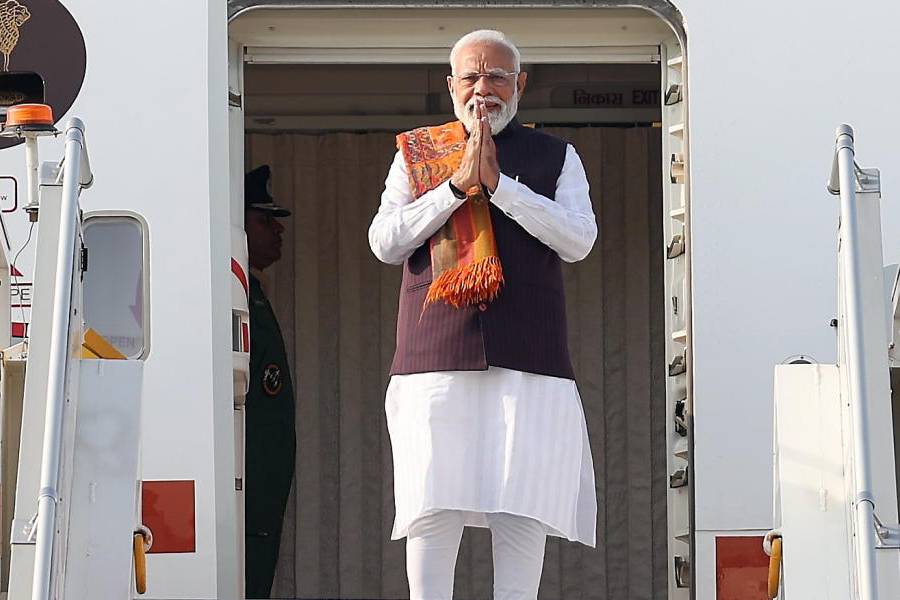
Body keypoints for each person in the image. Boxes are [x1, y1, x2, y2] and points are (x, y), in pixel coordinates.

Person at [368, 29, 598, 600]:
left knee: (523, 505)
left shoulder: (555, 156)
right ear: (451, 86)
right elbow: (385, 241)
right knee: (432, 504)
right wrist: (454, 188)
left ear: (519, 84)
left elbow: (579, 240)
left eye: (496, 76)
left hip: (531, 362)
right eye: (470, 77)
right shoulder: (417, 153)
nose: (482, 89)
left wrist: (501, 189)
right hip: (435, 361)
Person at [243, 165, 296, 599]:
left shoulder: (252, 293)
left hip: (263, 489)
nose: (276, 231)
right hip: (247, 488)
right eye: (263, 221)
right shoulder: (231, 294)